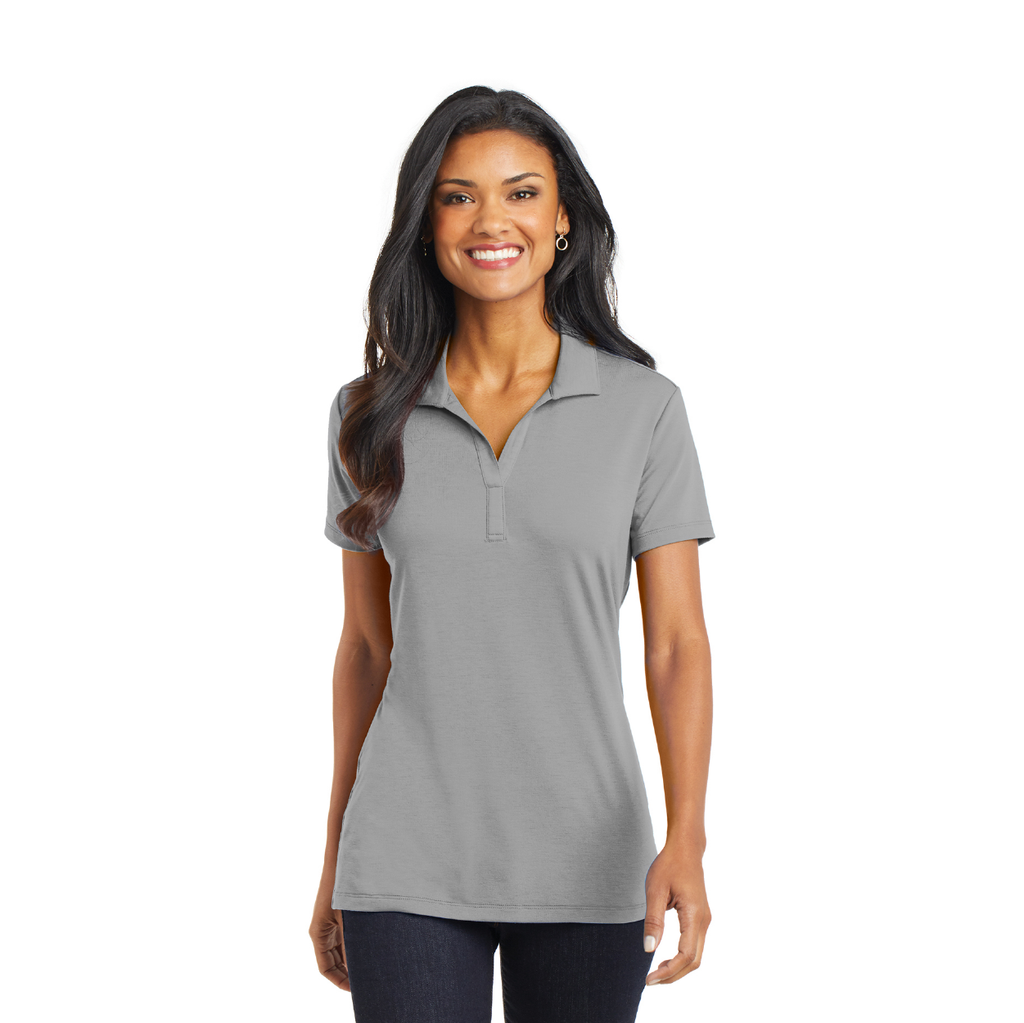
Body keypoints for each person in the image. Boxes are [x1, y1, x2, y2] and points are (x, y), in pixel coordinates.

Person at [309, 85, 716, 1023]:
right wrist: (335, 854)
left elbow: (676, 645)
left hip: (593, 856)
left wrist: (688, 837)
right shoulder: (365, 415)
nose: (491, 221)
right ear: (425, 224)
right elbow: (365, 647)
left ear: (563, 216)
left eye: (521, 193)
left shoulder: (644, 410)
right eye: (457, 197)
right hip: (404, 854)